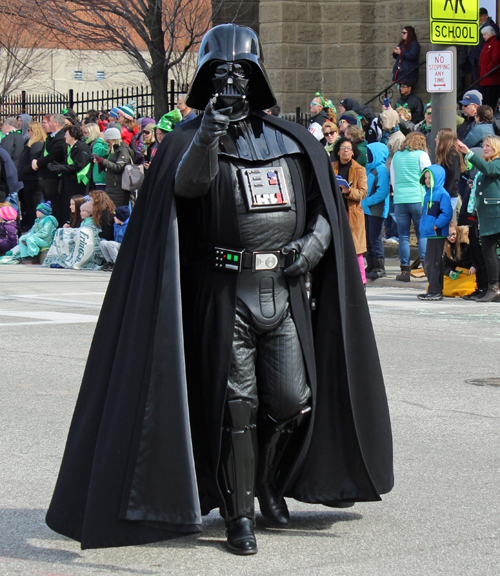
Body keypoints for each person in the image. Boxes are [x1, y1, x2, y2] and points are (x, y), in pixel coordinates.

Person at [45, 24, 393, 555]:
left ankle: (272, 482)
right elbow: (188, 188)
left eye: (242, 73)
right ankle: (239, 513)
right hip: (224, 291)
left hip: (284, 287)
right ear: (207, 79)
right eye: (221, 74)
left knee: (292, 400)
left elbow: (326, 212)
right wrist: (209, 131)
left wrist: (313, 248)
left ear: (258, 76)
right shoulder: (190, 141)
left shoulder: (295, 141)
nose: (233, 82)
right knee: (237, 406)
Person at [457, 135, 500, 302]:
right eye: (484, 145)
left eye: (488, 145)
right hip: (487, 215)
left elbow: (488, 171)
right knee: (489, 252)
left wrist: (468, 153)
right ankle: (492, 288)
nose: (485, 148)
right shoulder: (491, 164)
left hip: (494, 215)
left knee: (489, 252)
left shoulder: (497, 162)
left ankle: (494, 287)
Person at [391, 132, 431, 282]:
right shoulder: (421, 155)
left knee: (403, 236)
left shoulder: (396, 156)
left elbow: (393, 179)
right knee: (422, 234)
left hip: (400, 199)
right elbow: (429, 176)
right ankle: (427, 268)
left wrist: (398, 193)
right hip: (418, 198)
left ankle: (404, 272)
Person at [332, 137, 368, 284]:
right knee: (336, 247)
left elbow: (363, 193)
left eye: (348, 148)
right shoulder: (332, 166)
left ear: (353, 153)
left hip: (352, 213)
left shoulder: (359, 169)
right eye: (342, 148)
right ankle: (340, 280)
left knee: (356, 249)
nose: (345, 151)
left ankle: (361, 282)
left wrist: (348, 191)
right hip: (336, 213)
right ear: (338, 152)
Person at [417, 166, 453, 300]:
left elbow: (447, 213)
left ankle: (435, 291)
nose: (427, 180)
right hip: (432, 232)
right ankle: (435, 290)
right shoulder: (429, 193)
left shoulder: (442, 194)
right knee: (433, 261)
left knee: (432, 262)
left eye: (429, 178)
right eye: (425, 178)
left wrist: (435, 226)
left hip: (436, 233)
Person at [46, 125, 92, 226]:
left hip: (78, 183)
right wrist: (57, 166)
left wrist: (61, 168)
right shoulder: (71, 147)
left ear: (73, 135)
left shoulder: (81, 146)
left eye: (66, 134)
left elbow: (79, 165)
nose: (65, 137)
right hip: (69, 182)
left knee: (75, 205)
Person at [42, 201, 105, 270]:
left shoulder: (92, 222)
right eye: (81, 211)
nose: (81, 213)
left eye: (84, 211)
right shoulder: (83, 222)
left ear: (89, 212)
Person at [362, 143, 390, 279]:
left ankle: (379, 266)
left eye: (370, 153)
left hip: (376, 209)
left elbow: (383, 191)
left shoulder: (381, 170)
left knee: (375, 237)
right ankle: (372, 264)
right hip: (367, 209)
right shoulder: (369, 169)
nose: (367, 155)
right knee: (368, 237)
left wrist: (367, 201)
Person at [32, 113, 66, 224]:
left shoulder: (60, 138)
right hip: (45, 175)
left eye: (49, 122)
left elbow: (52, 156)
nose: (46, 124)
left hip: (53, 176)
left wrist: (37, 163)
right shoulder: (52, 137)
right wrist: (35, 160)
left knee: (54, 204)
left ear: (56, 123)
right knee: (48, 203)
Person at [93, 127, 134, 208]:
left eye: (109, 141)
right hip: (113, 186)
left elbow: (119, 167)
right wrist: (102, 165)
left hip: (119, 187)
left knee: (116, 211)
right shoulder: (116, 150)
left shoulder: (123, 150)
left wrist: (104, 161)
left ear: (115, 139)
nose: (108, 144)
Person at [17, 121, 47, 230]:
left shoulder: (37, 144)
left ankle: (33, 227)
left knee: (33, 206)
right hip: (28, 179)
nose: (27, 132)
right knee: (28, 205)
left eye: (29, 130)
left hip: (33, 179)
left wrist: (24, 170)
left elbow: (34, 162)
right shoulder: (30, 143)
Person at [442, 222, 477, 298]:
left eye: (453, 234)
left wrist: (474, 266)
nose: (451, 237)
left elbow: (478, 258)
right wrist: (449, 271)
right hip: (459, 275)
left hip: (471, 274)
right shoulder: (447, 247)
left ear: (458, 232)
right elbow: (446, 265)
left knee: (468, 285)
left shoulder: (467, 244)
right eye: (448, 235)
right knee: (440, 285)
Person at [435, 128, 466, 213]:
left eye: (438, 137)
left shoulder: (452, 155)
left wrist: (444, 196)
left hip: (448, 196)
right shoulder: (445, 154)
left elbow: (451, 177)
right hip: (445, 195)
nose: (436, 139)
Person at [469, 8, 500, 81]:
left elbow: (495, 42)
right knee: (477, 82)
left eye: (481, 16)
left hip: (485, 60)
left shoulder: (492, 26)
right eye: (478, 16)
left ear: (486, 16)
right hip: (475, 60)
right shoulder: (475, 26)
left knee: (485, 82)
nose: (480, 18)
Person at [99, 205, 130, 271]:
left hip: (126, 246)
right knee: (103, 243)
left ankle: (118, 264)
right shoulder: (116, 225)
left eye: (115, 216)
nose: (114, 218)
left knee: (111, 244)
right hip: (118, 245)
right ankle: (110, 262)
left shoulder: (128, 226)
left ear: (121, 217)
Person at [478, 26, 500, 109]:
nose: (483, 36)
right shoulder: (487, 43)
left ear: (491, 34)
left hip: (491, 78)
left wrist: (488, 70)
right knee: (485, 98)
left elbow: (496, 59)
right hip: (484, 77)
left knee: (490, 98)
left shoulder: (496, 43)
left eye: (485, 34)